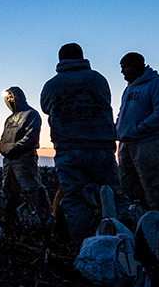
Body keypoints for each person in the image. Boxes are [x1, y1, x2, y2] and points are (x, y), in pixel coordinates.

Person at [39, 43, 128, 246]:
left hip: (68, 149)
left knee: (75, 198)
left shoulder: (52, 85)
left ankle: (85, 244)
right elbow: (106, 101)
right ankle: (123, 239)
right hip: (101, 147)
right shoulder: (98, 79)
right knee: (113, 193)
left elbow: (45, 108)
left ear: (60, 60)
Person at [117, 52, 159, 222]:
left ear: (136, 65)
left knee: (155, 186)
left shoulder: (156, 85)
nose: (123, 72)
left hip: (149, 143)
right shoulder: (128, 90)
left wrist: (141, 128)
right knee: (129, 187)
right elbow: (123, 114)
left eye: (125, 67)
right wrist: (119, 129)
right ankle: (139, 223)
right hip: (126, 144)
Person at [0, 86, 51, 231]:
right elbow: (4, 137)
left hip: (25, 158)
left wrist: (15, 148)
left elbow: (31, 137)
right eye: (7, 98)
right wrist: (3, 148)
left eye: (11, 97)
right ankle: (12, 222)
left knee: (33, 189)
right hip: (9, 160)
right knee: (8, 189)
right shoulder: (9, 119)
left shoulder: (31, 114)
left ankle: (44, 220)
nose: (9, 100)